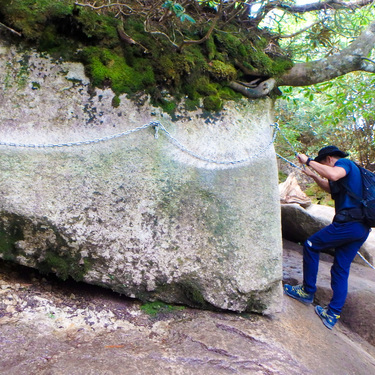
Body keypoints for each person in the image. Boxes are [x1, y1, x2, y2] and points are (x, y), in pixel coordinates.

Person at [284, 145, 370, 330]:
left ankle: (307, 291)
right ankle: (332, 314)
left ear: (329, 159)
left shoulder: (344, 163)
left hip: (349, 224)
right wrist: (314, 176)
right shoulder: (350, 177)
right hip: (360, 228)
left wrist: (309, 161)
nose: (320, 167)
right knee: (340, 268)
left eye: (321, 163)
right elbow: (331, 187)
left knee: (310, 244)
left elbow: (333, 175)